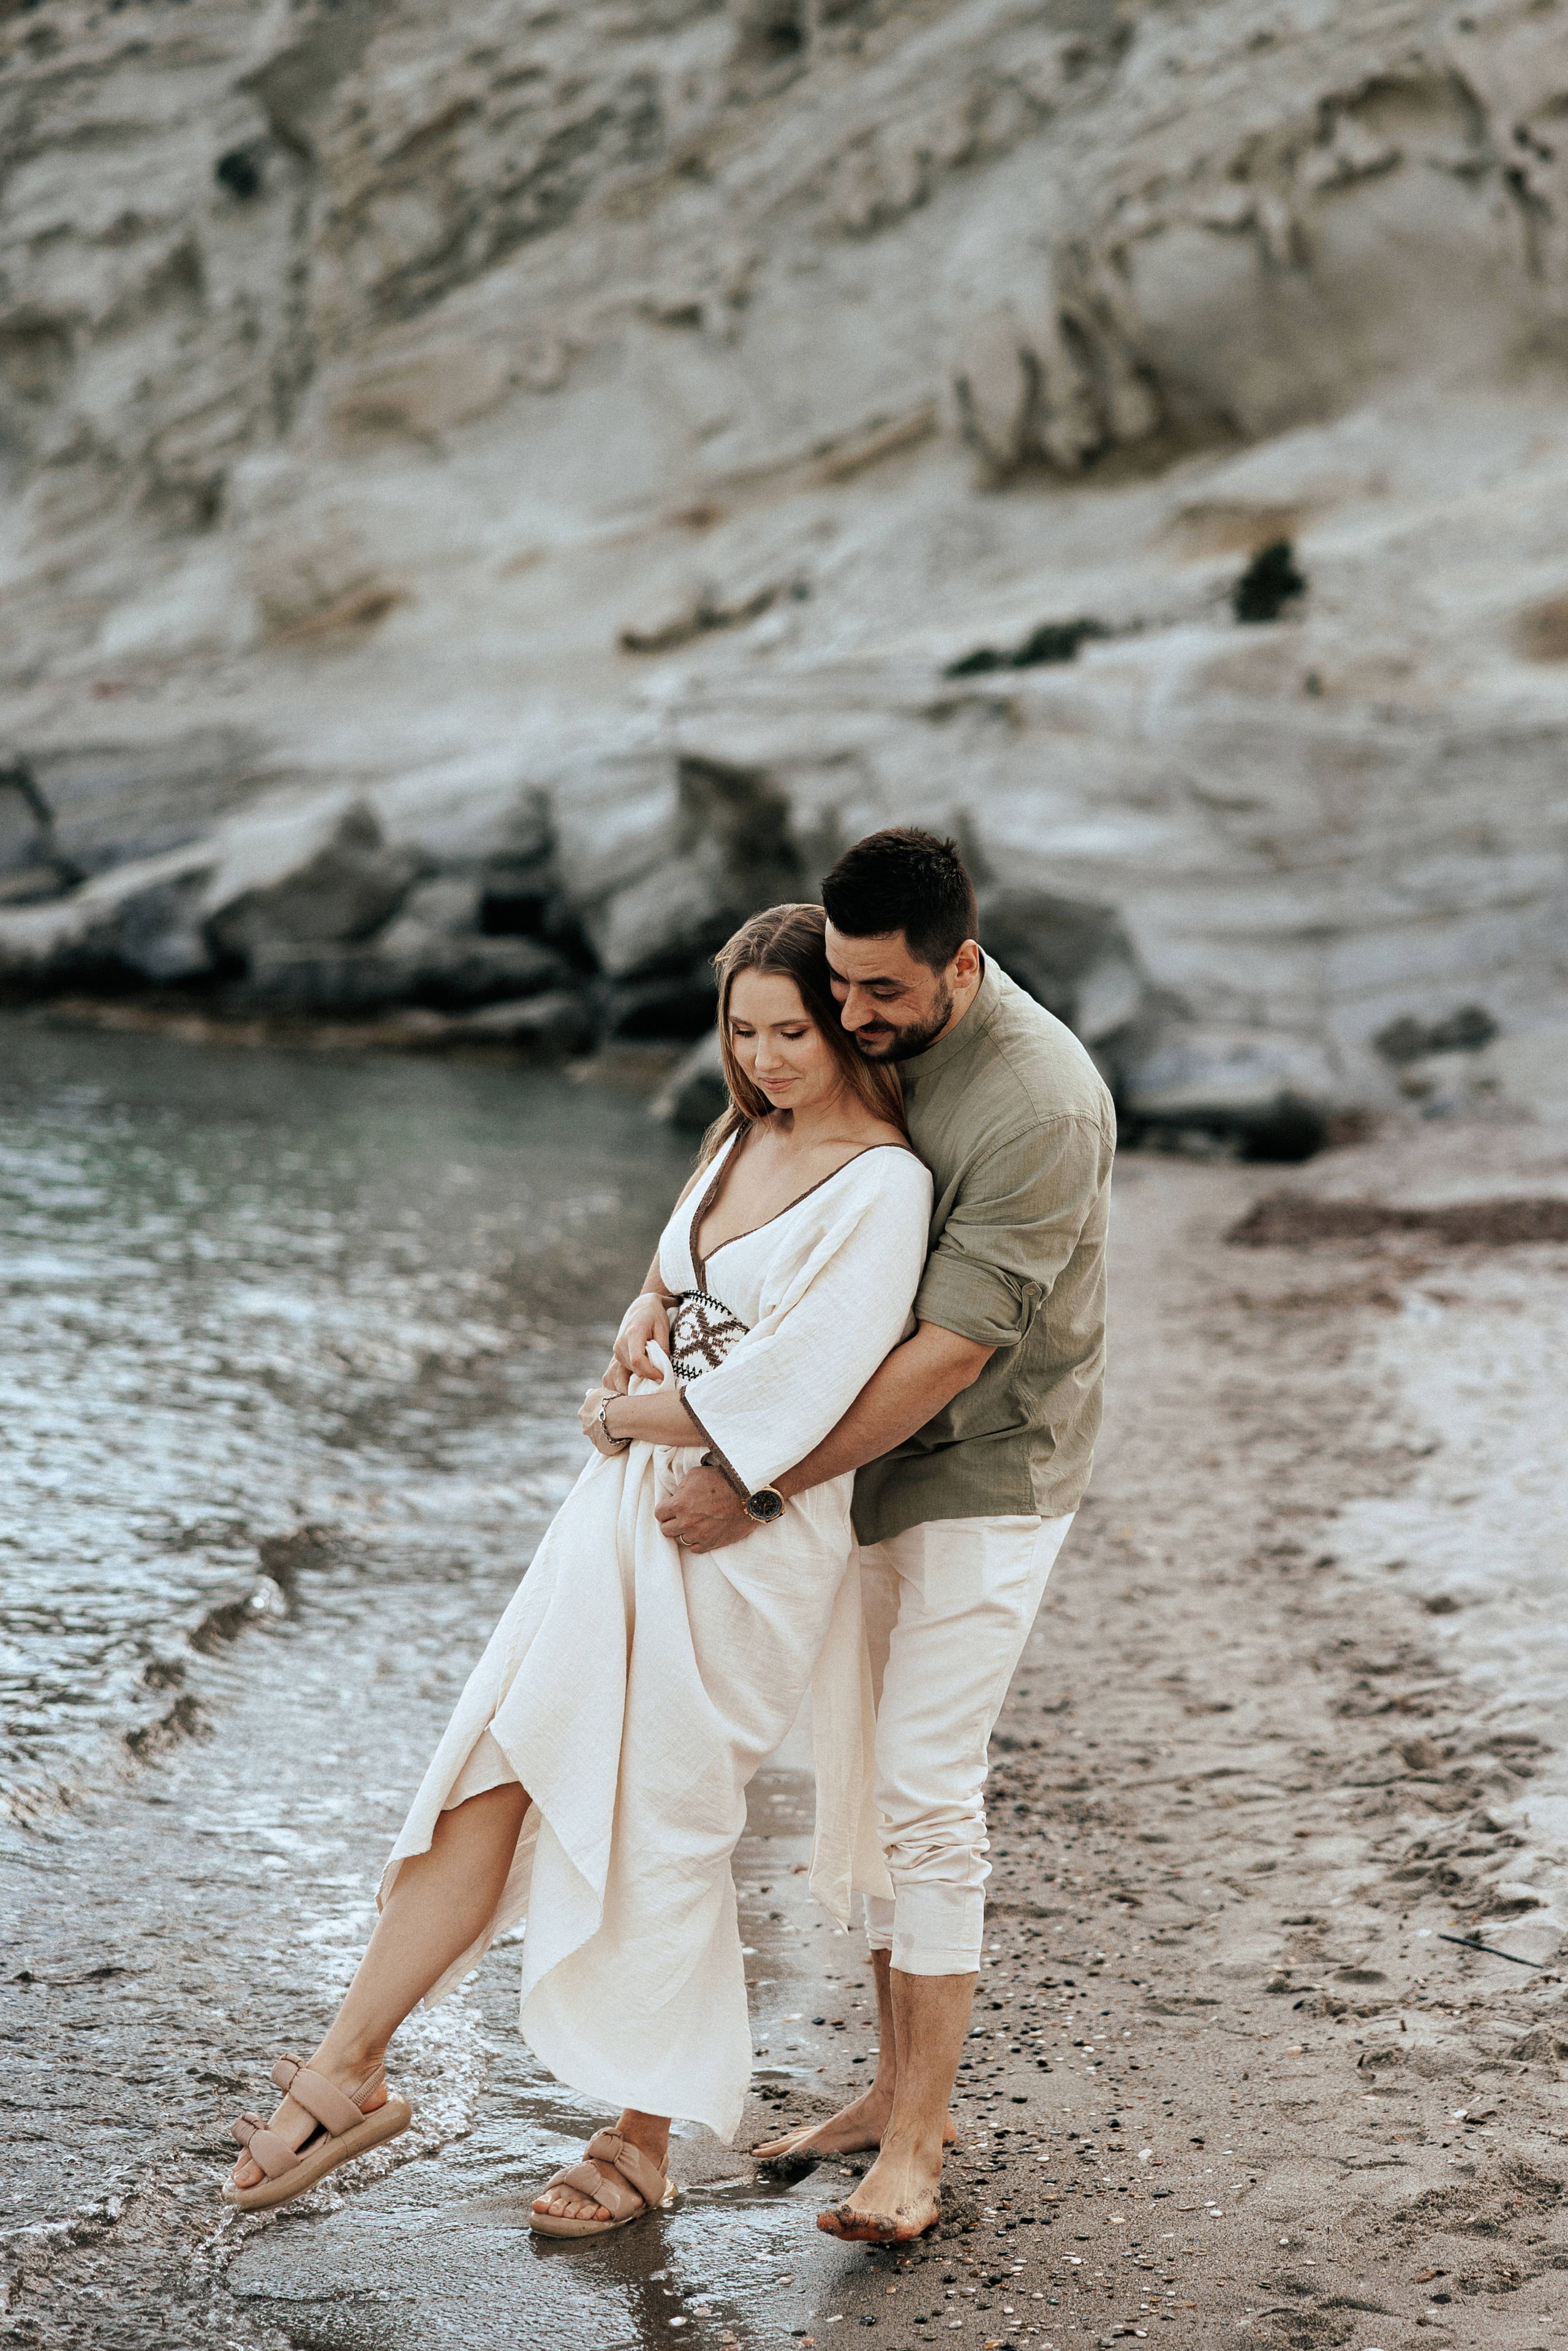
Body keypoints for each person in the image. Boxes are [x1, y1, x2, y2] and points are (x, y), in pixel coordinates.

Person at [221, 903, 933, 2236]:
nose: (768, 1055)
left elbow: (798, 1384)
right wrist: (634, 1329)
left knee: (665, 1814)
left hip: (740, 1532)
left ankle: (640, 2134)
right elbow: (665, 1290)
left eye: (792, 1028)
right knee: (495, 1754)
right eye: (743, 1029)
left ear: (842, 1025)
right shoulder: (738, 1136)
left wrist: (622, 1415)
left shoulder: (884, 1183)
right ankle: (347, 2066)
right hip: (614, 1510)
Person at [644, 829, 1115, 2243]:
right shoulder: (880, 1019)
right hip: (862, 1465)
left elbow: (949, 1353)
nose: (852, 1021)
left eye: (877, 997)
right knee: (856, 1772)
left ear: (960, 966)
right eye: (835, 989)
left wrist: (758, 1475)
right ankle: (884, 2085)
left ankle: (914, 2142)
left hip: (984, 1469)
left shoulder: (1038, 1104)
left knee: (923, 1786)